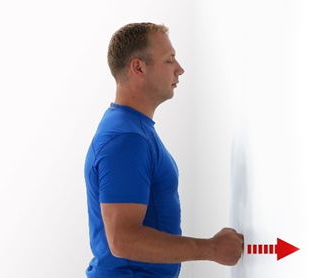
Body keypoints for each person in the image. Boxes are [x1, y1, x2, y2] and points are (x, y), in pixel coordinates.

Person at [84, 22, 244, 278]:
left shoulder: (134, 129)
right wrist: (211, 249)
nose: (179, 69)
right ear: (139, 67)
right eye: (169, 61)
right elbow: (123, 240)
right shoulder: (126, 139)